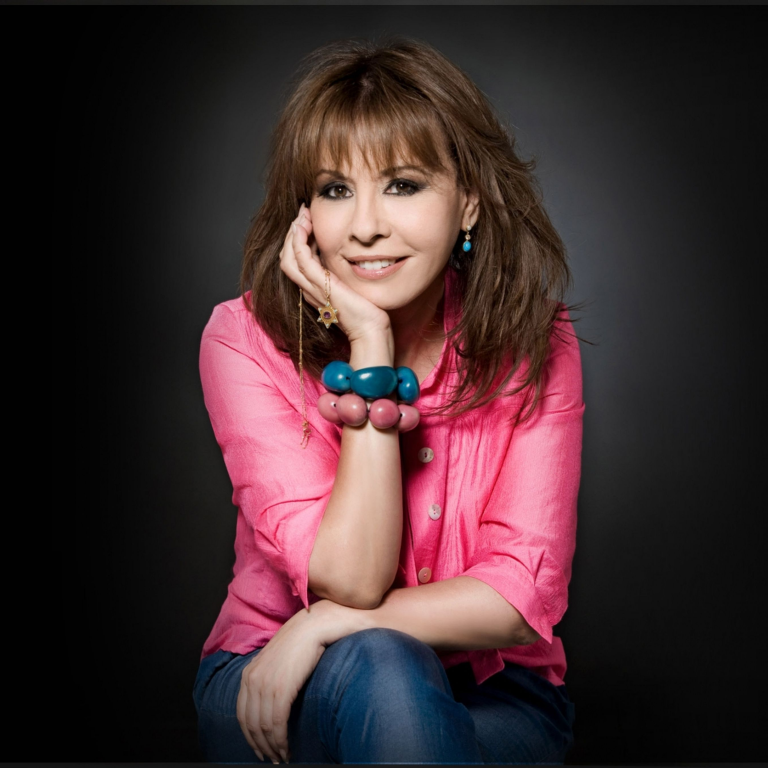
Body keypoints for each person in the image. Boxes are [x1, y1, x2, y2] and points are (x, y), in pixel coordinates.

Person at [193, 37, 584, 765]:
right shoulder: (242, 339)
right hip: (279, 678)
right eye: (335, 189)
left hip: (493, 693)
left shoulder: (536, 338)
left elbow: (517, 600)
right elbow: (352, 577)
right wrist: (370, 342)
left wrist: (321, 624)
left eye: (402, 185)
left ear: (468, 203)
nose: (365, 226)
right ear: (305, 211)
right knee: (386, 668)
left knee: (397, 682)